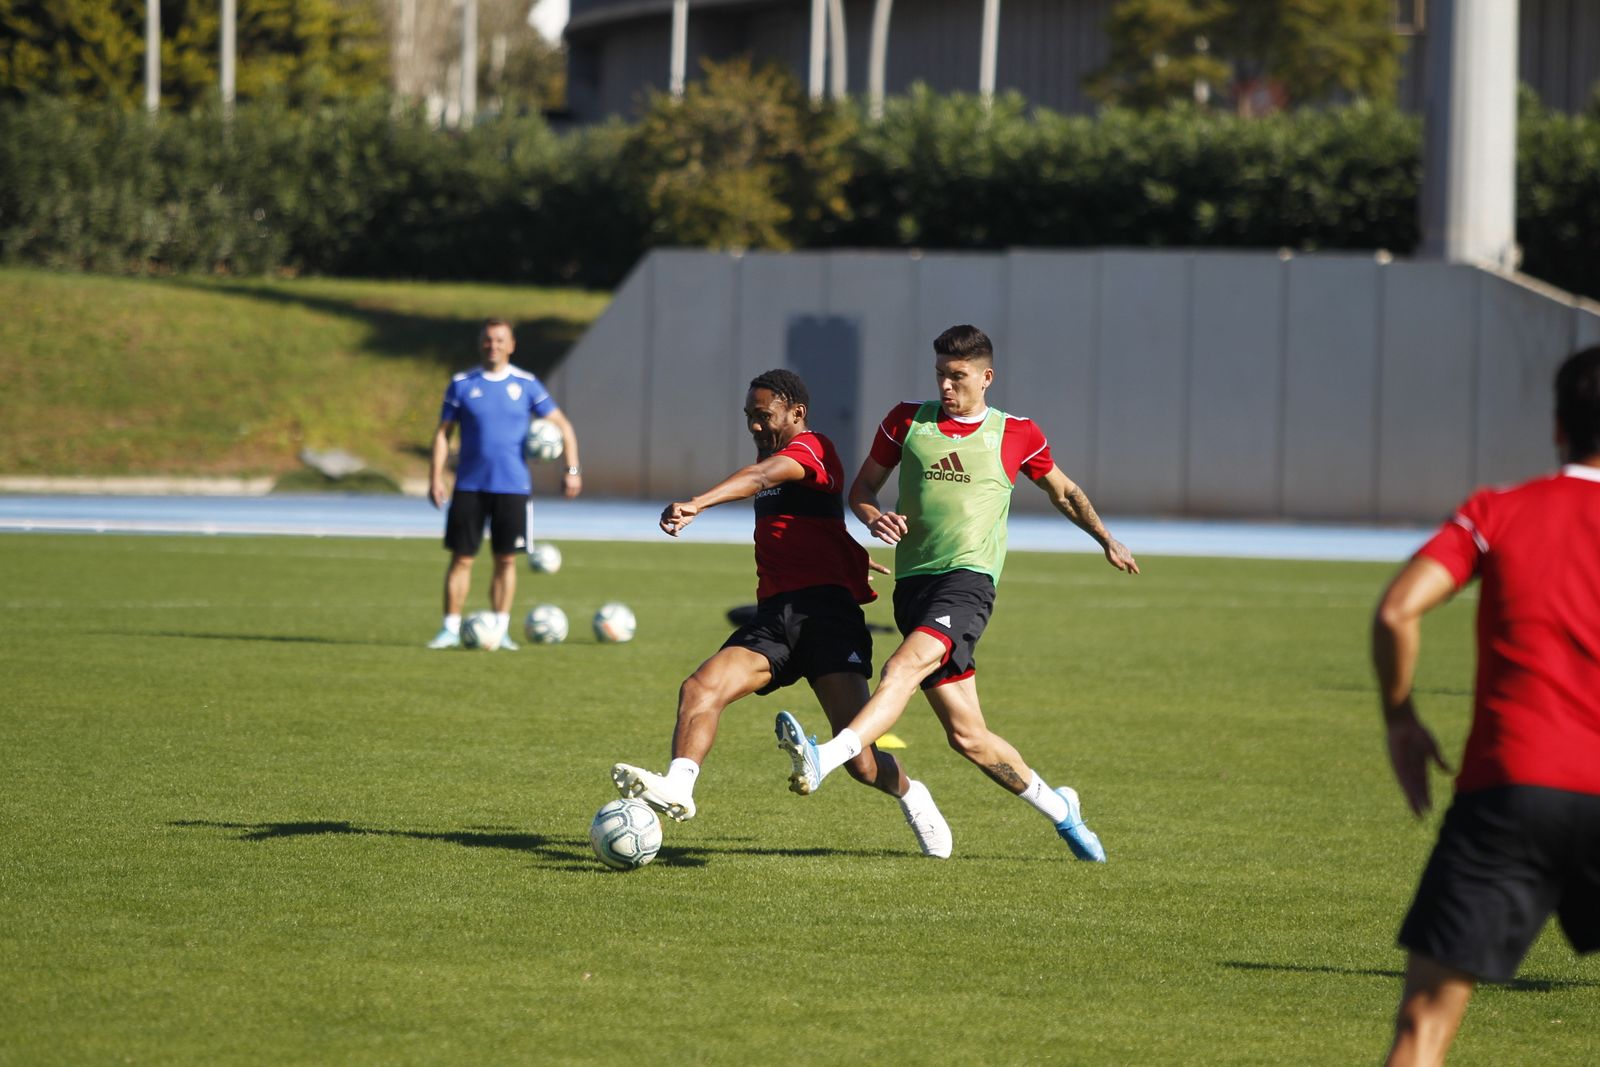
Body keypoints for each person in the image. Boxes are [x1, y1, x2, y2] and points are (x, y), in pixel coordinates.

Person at [773, 324, 1139, 862]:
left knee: (899, 669)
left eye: (958, 376)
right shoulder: (906, 421)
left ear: (986, 377)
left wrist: (1106, 538)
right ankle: (1063, 812)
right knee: (969, 739)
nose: (947, 386)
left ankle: (824, 757)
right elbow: (862, 490)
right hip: (914, 587)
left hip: (967, 585)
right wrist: (874, 518)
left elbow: (1063, 490)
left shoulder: (1017, 433)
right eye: (941, 374)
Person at [611, 368, 954, 857]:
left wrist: (698, 503)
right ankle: (679, 789)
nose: (754, 425)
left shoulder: (812, 448)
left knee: (861, 762)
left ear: (797, 413)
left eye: (763, 415)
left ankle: (914, 795)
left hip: (827, 620)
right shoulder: (774, 453)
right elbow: (811, 519)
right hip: (775, 619)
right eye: (749, 416)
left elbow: (760, 478)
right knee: (700, 688)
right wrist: (848, 550)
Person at [1371, 344, 1600, 1067]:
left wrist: (1402, 721)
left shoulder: (1496, 511)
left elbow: (1397, 613)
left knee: (1423, 1030)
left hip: (1510, 790)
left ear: (1558, 426)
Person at [426, 318, 582, 649]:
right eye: (487, 340)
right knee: (462, 558)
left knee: (506, 560)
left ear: (511, 345)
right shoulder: (462, 383)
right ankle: (450, 628)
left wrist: (571, 469)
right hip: (469, 485)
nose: (493, 345)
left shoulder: (527, 385)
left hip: (513, 487)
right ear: (480, 343)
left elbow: (564, 427)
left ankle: (500, 628)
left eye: (499, 340)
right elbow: (443, 434)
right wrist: (435, 476)